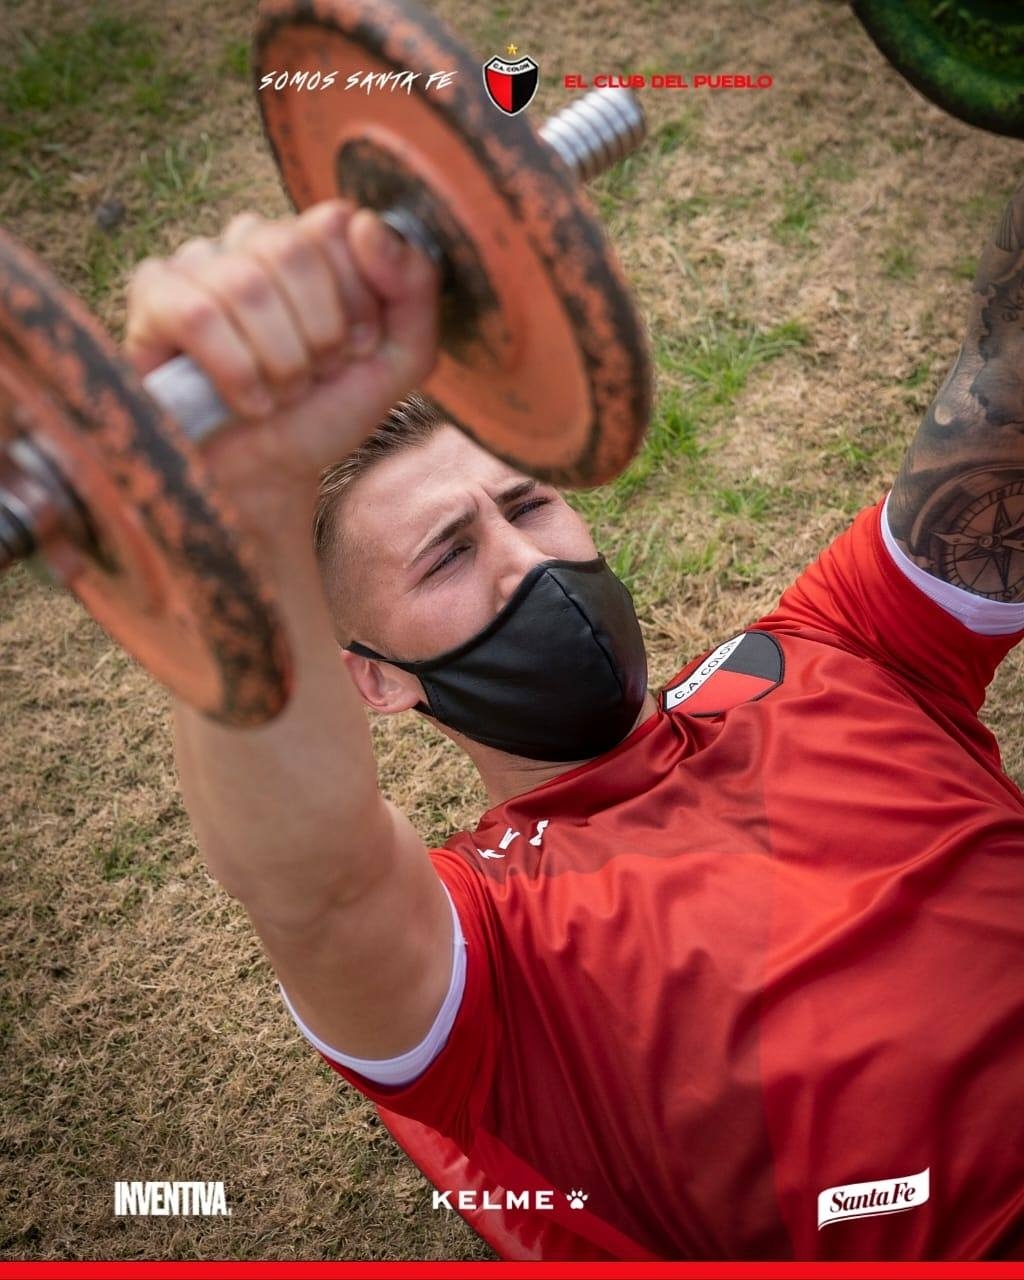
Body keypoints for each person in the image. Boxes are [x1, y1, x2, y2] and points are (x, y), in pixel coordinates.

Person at [124, 187, 1024, 1261]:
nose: (526, 561)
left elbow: (1007, 382)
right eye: (448, 557)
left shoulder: (837, 643)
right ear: (372, 679)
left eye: (526, 505)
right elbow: (310, 883)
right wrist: (240, 501)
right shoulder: (482, 951)